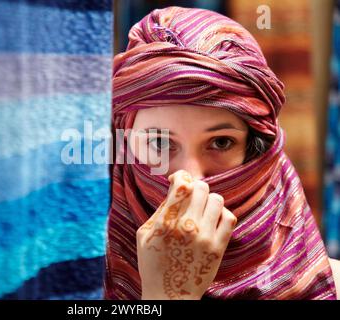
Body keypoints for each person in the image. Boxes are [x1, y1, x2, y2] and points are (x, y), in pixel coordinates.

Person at [104, 6, 340, 300]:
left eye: (221, 143)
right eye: (160, 144)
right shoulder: (71, 279)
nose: (190, 179)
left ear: (258, 154)